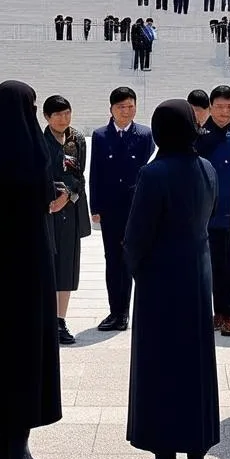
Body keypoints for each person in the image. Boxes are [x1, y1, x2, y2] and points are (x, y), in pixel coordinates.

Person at [0, 82, 65, 459]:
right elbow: (44, 196)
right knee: (26, 349)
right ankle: (19, 452)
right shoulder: (31, 147)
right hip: (30, 263)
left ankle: (1, 446)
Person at [125, 100, 220, 459]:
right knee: (194, 366)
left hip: (162, 282)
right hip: (197, 277)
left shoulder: (154, 173)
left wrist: (136, 268)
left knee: (160, 366)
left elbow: (136, 237)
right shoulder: (207, 168)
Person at [89, 87, 155, 331]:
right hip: (110, 208)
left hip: (136, 208)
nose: (126, 111)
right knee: (112, 260)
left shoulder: (146, 134)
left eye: (130, 106)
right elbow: (95, 172)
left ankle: (128, 312)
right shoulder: (100, 135)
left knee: (133, 258)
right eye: (120, 107)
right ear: (111, 110)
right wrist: (94, 205)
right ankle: (115, 310)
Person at [197, 86, 230, 336]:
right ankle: (211, 312)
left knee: (229, 265)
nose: (224, 112)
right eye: (219, 107)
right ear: (210, 107)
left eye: (229, 107)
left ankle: (229, 313)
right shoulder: (200, 131)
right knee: (207, 264)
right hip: (205, 210)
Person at [43, 95, 92, 346]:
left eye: (67, 113)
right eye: (58, 115)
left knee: (67, 265)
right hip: (46, 210)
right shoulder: (40, 141)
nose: (64, 119)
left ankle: (60, 319)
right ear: (47, 118)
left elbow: (78, 175)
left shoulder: (77, 140)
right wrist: (51, 198)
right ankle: (45, 317)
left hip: (70, 209)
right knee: (47, 263)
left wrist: (68, 197)